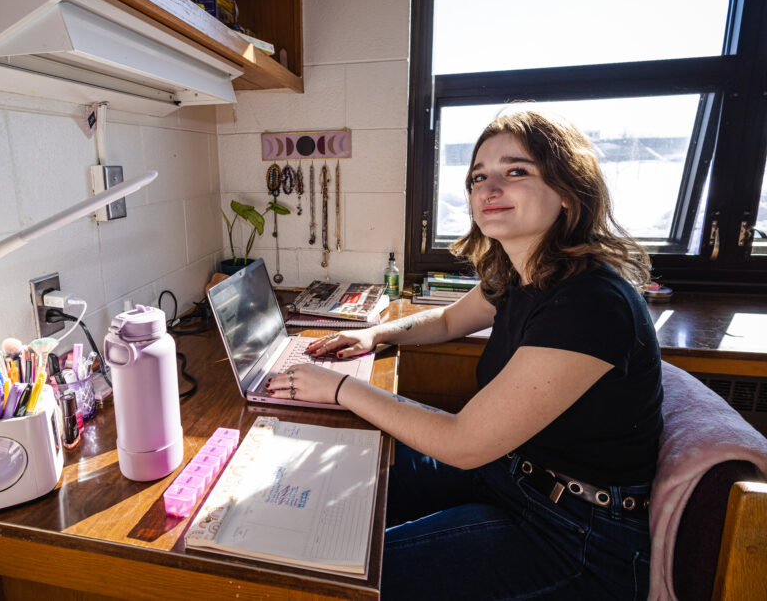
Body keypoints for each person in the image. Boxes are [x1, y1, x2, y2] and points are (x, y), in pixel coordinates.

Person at [265, 110, 663, 600]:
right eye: (479, 176)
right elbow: (449, 320)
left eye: (516, 171)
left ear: (567, 191)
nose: (490, 187)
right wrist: (375, 335)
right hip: (512, 473)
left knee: (338, 579)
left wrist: (342, 388)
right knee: (349, 472)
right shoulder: (520, 274)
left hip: (574, 532)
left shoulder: (590, 303)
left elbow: (464, 442)